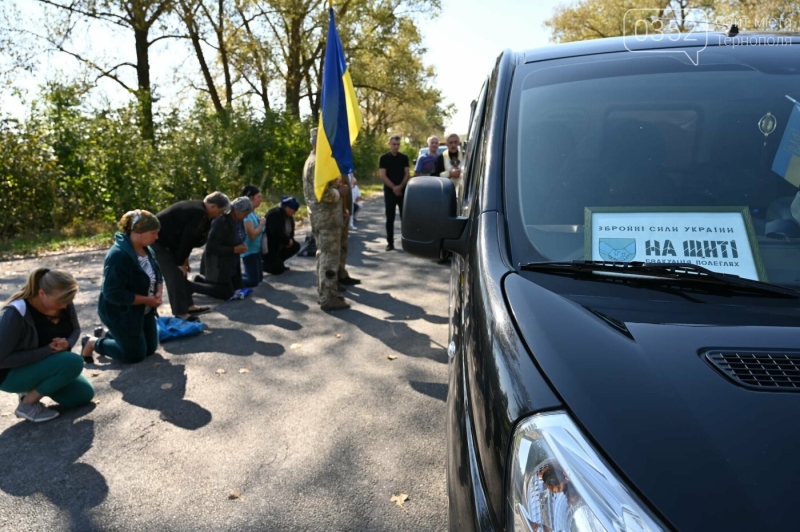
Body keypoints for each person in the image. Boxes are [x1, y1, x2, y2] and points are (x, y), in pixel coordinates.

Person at [0, 268, 94, 423]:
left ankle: (31, 389)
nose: (65, 306)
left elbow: (76, 329)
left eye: (67, 301)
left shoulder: (63, 302)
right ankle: (27, 404)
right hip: (9, 375)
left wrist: (68, 343)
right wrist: (47, 350)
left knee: (83, 396)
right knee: (74, 361)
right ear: (41, 294)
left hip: (43, 364)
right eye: (60, 302)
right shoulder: (15, 313)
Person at [81, 210, 163, 365]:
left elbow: (157, 273)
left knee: (150, 349)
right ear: (138, 232)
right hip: (121, 312)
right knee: (135, 355)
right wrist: (147, 300)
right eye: (153, 233)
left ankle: (104, 333)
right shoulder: (118, 255)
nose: (156, 237)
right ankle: (92, 342)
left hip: (142, 310)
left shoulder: (147, 249)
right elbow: (112, 293)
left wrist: (158, 290)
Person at [152, 192, 230, 320]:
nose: (220, 215)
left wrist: (184, 259)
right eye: (220, 212)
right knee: (175, 275)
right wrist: (179, 262)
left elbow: (187, 238)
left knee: (182, 273)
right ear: (213, 206)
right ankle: (181, 313)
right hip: (158, 242)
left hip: (171, 243)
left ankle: (189, 306)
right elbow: (187, 239)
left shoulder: (200, 211)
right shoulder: (198, 213)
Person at [302, 128, 352, 310]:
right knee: (329, 258)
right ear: (318, 142)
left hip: (327, 217)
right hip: (326, 219)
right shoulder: (317, 163)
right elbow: (321, 193)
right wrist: (340, 192)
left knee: (323, 256)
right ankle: (328, 298)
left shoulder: (317, 161)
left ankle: (324, 292)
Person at [189, 196, 251, 301]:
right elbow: (211, 248)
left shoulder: (239, 220)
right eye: (245, 213)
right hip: (217, 264)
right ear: (236, 210)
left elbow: (240, 236)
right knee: (226, 294)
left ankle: (201, 281)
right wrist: (234, 249)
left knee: (239, 288)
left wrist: (241, 246)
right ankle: (190, 286)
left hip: (232, 263)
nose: (246, 216)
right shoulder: (221, 221)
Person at [379, 134, 410, 251]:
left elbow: (407, 173)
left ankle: (406, 242)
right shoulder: (384, 158)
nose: (396, 147)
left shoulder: (404, 157)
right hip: (390, 192)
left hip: (403, 191)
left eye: (398, 144)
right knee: (390, 218)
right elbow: (382, 175)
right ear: (389, 144)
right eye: (394, 144)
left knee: (405, 218)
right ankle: (390, 243)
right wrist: (394, 188)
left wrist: (401, 187)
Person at [263, 196, 301, 275]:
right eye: (293, 210)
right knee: (278, 270)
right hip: (269, 247)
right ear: (287, 208)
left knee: (295, 246)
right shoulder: (275, 214)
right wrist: (287, 241)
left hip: (280, 245)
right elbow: (275, 234)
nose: (294, 212)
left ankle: (279, 261)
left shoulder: (289, 217)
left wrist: (290, 241)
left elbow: (291, 232)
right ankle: (263, 265)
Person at [241, 185, 267, 287]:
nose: (261, 200)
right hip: (249, 252)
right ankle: (227, 280)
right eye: (259, 197)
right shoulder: (246, 215)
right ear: (251, 198)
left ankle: (233, 277)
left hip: (256, 251)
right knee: (253, 282)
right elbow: (252, 235)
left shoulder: (254, 213)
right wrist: (261, 224)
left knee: (258, 279)